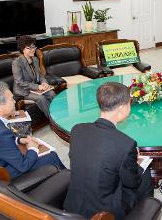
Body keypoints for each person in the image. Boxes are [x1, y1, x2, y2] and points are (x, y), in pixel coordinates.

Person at [64, 82, 154, 220]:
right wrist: (135, 162)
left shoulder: (77, 129)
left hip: (72, 204)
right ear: (123, 108)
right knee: (144, 172)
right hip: (104, 213)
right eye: (130, 104)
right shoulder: (125, 144)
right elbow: (132, 182)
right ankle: (146, 210)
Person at [0, 82, 65, 178]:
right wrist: (33, 148)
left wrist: (19, 140)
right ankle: (70, 181)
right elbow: (23, 166)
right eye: (11, 99)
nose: (14, 101)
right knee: (51, 157)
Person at [12, 35, 55, 118]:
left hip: (35, 89)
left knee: (51, 93)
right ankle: (52, 119)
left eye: (34, 47)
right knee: (41, 98)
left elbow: (40, 75)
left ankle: (58, 114)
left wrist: (44, 82)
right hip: (23, 91)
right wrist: (37, 86)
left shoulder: (35, 59)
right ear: (22, 49)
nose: (33, 50)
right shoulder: (17, 63)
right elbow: (19, 82)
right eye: (29, 48)